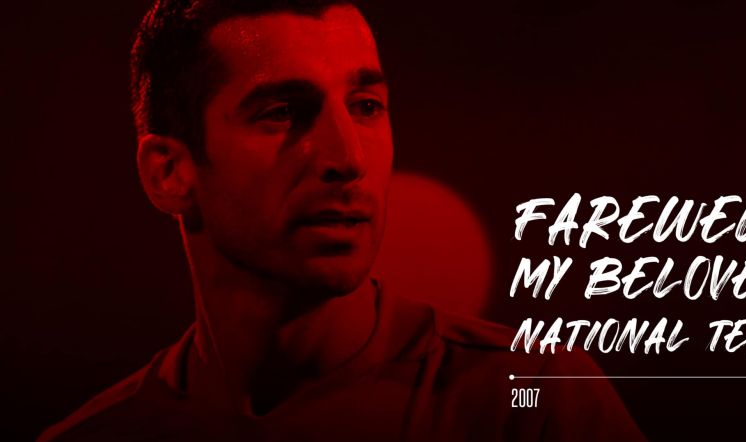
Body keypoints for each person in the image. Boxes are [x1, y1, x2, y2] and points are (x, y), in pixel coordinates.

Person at [39, 1, 646, 440]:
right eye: (281, 112)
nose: (347, 157)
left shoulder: (530, 400)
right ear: (169, 172)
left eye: (366, 106)